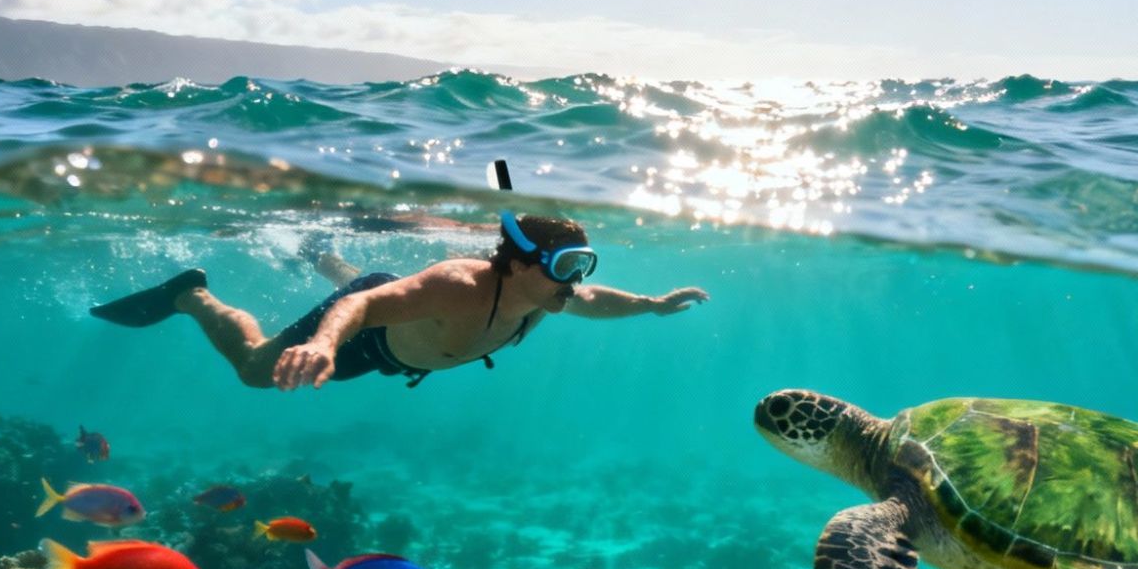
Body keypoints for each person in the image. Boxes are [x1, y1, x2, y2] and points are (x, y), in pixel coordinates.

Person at [89, 213, 708, 390]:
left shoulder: (542, 295)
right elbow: (360, 310)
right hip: (367, 332)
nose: (574, 281)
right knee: (255, 372)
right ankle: (190, 294)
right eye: (566, 268)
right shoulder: (457, 286)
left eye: (582, 265)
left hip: (402, 330)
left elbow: (595, 301)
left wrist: (652, 304)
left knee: (380, 281)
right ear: (519, 263)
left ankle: (319, 254)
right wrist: (325, 344)